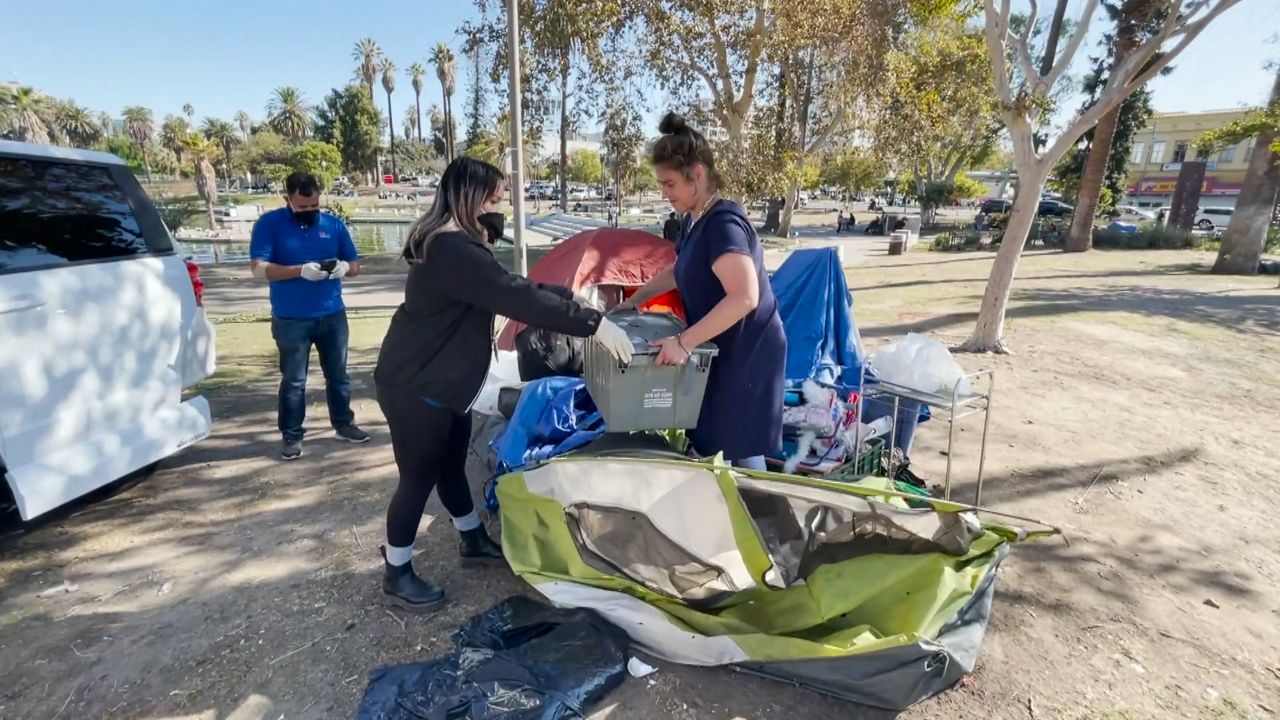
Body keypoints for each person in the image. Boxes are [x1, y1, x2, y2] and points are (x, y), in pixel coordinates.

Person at [372, 156, 634, 612]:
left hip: (443, 380)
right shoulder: (451, 248)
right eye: (494, 200)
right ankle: (397, 573)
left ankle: (472, 540)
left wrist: (567, 296)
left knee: (451, 466)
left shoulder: (455, 246)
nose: (500, 208)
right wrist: (591, 323)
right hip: (415, 382)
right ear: (471, 199)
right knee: (418, 477)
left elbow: (505, 284)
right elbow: (512, 295)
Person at [618, 113, 786, 472]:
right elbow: (679, 271)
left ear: (697, 174)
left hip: (746, 349)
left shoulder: (724, 225)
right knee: (719, 438)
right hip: (716, 343)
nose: (664, 193)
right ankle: (740, 498)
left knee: (736, 439)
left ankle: (759, 503)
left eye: (670, 184)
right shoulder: (692, 220)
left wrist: (683, 343)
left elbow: (745, 296)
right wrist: (634, 301)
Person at [249, 172, 369, 460]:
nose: (310, 211)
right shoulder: (269, 224)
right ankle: (292, 435)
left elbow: (355, 265)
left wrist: (344, 268)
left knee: (338, 375)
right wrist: (299, 271)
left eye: (314, 205)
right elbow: (258, 268)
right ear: (288, 199)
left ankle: (344, 424)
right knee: (294, 381)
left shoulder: (333, 224)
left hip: (332, 314)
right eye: (302, 207)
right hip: (291, 318)